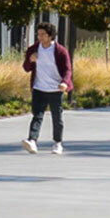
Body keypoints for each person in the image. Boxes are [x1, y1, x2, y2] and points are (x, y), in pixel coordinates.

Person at [22, 21, 74, 154]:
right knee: (37, 115)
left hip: (56, 89)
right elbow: (26, 68)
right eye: (38, 34)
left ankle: (58, 143)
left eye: (43, 34)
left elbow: (68, 69)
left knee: (57, 117)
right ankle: (32, 140)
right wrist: (30, 60)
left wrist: (64, 82)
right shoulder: (33, 49)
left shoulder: (60, 51)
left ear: (50, 36)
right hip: (39, 88)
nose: (40, 37)